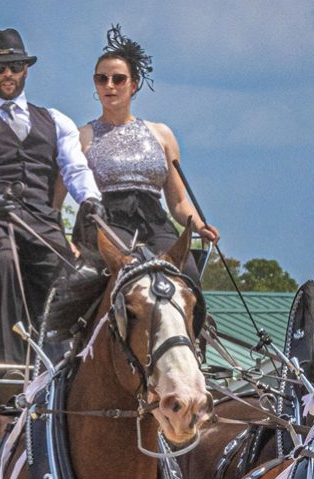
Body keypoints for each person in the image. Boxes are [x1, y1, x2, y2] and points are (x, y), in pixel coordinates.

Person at [0, 28, 103, 361]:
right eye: (0, 67)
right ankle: (10, 364)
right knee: (4, 261)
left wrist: (90, 199)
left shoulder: (57, 120)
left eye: (16, 66)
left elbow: (75, 168)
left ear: (26, 69)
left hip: (41, 219)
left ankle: (64, 362)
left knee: (68, 272)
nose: (9, 74)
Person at [76, 26, 219, 288]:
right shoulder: (82, 136)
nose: (109, 86)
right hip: (106, 221)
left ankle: (197, 330)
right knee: (127, 270)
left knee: (186, 272)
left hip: (154, 221)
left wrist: (199, 226)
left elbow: (177, 202)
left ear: (134, 84)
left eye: (118, 79)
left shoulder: (162, 134)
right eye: (101, 79)